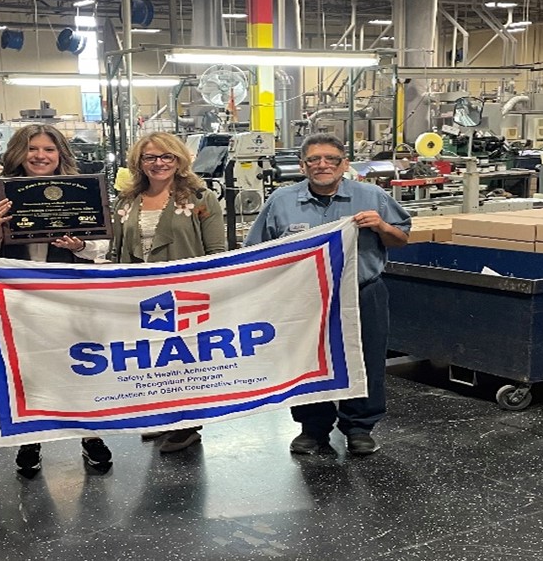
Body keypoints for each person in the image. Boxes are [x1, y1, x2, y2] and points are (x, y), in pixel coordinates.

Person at [244, 132, 410, 457]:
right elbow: (256, 249)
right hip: (305, 299)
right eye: (314, 160)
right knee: (307, 361)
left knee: (366, 360)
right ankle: (313, 428)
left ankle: (359, 428)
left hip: (363, 293)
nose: (323, 165)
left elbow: (400, 238)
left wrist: (381, 227)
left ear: (344, 163)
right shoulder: (282, 201)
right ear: (303, 165)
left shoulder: (372, 196)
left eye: (331, 159)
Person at [0, 123, 112, 477]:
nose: (40, 156)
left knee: (80, 365)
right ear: (18, 153)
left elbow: (101, 246)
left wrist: (79, 246)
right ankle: (30, 438)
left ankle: (89, 434)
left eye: (48, 150)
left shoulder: (81, 191)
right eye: (32, 149)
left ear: (60, 154)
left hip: (69, 294)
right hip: (18, 296)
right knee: (27, 370)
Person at [111, 131, 226, 453]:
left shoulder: (200, 198)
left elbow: (216, 249)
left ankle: (187, 424)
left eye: (166, 157)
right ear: (139, 162)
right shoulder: (127, 200)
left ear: (179, 160)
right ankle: (162, 416)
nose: (158, 163)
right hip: (141, 292)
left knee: (184, 360)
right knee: (150, 359)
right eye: (150, 157)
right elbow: (117, 246)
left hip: (184, 293)